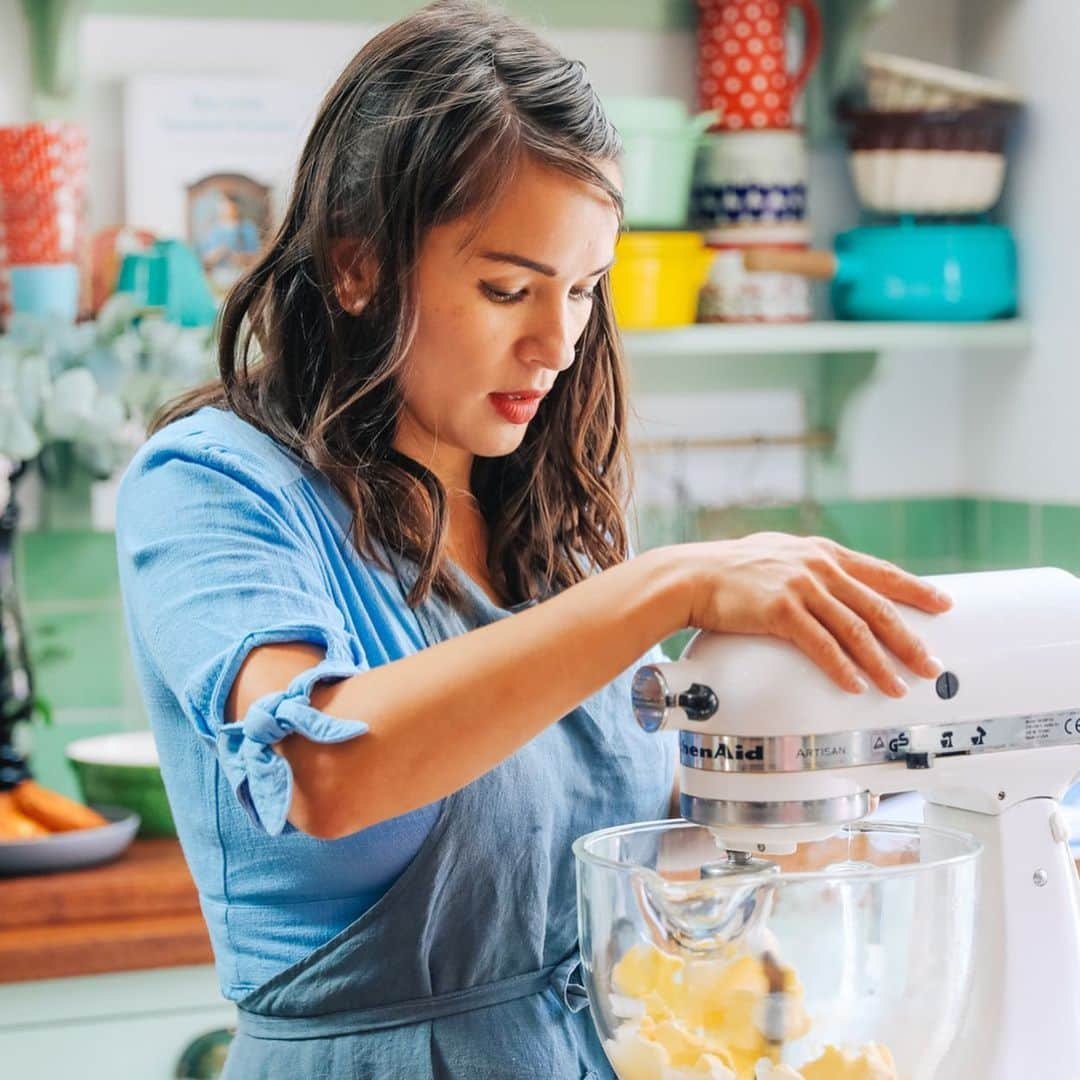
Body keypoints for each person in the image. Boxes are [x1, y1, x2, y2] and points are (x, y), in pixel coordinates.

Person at [114, 3, 950, 1076]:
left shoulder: (552, 521)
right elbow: (321, 772)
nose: (556, 344)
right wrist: (668, 587)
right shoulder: (214, 485)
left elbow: (650, 844)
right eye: (507, 288)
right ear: (359, 265)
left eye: (584, 291)